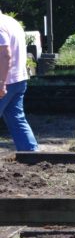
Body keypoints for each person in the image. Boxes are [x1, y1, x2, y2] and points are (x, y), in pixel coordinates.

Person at [0, 10, 39, 152]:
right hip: (19, 79)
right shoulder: (12, 22)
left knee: (17, 119)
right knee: (17, 120)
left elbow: (5, 55)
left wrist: (1, 82)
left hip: (5, 81)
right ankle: (32, 155)